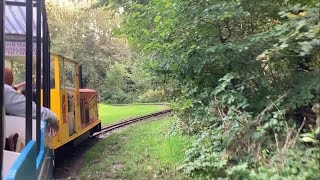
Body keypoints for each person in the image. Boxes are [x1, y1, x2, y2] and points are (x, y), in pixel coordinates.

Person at [3, 67, 59, 135]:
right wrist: (53, 117)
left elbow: (11, 88)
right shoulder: (6, 92)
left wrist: (25, 83)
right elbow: (31, 109)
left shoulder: (8, 91)